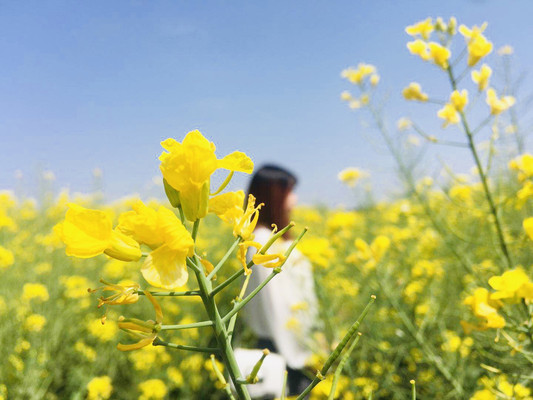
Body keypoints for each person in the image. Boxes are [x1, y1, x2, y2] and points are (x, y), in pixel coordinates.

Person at [243, 164, 319, 397]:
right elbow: (275, 307)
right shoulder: (262, 242)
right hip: (284, 350)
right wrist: (304, 355)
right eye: (290, 192)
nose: (295, 199)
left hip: (293, 343)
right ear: (274, 195)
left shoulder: (269, 238)